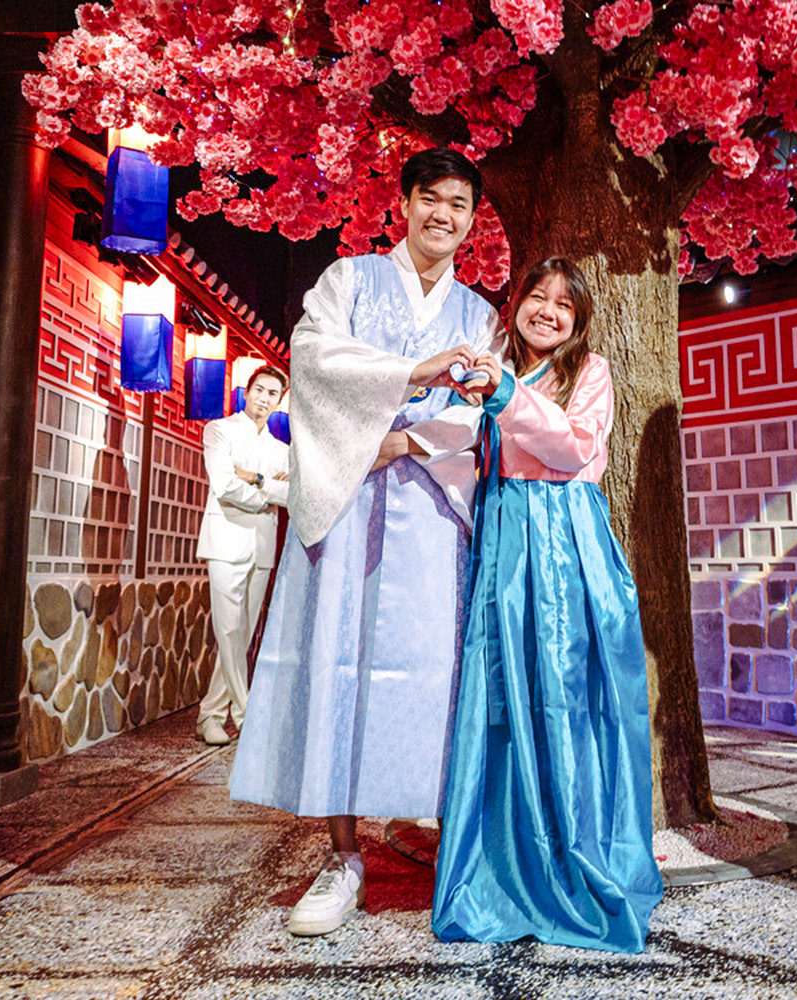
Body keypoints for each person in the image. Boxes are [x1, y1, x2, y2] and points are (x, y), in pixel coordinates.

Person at [227, 148, 497, 937]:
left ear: (472, 221)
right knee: (337, 663)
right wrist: (414, 372)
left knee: (430, 670)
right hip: (345, 502)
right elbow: (312, 361)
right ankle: (341, 856)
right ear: (405, 203)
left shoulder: (480, 312)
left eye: (459, 205)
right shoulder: (348, 279)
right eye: (430, 199)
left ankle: (437, 833)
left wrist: (405, 445)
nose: (443, 216)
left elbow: (482, 406)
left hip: (432, 508)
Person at [431, 258, 664, 953]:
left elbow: (572, 448)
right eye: (538, 297)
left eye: (565, 305)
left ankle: (572, 855)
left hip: (564, 544)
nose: (550, 312)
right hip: (505, 540)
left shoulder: (587, 373)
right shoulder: (490, 364)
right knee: (501, 696)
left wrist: (502, 392)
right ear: (517, 302)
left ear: (580, 321)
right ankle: (499, 862)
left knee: (565, 698)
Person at [194, 365, 291, 746]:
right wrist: (268, 494)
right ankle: (245, 711)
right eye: (259, 390)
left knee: (240, 636)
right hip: (225, 540)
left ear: (279, 401)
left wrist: (255, 479)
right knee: (230, 630)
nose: (264, 399)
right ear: (245, 391)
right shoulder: (219, 430)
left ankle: (211, 715)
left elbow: (292, 494)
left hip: (261, 546)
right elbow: (223, 484)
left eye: (272, 394)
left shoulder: (281, 450)